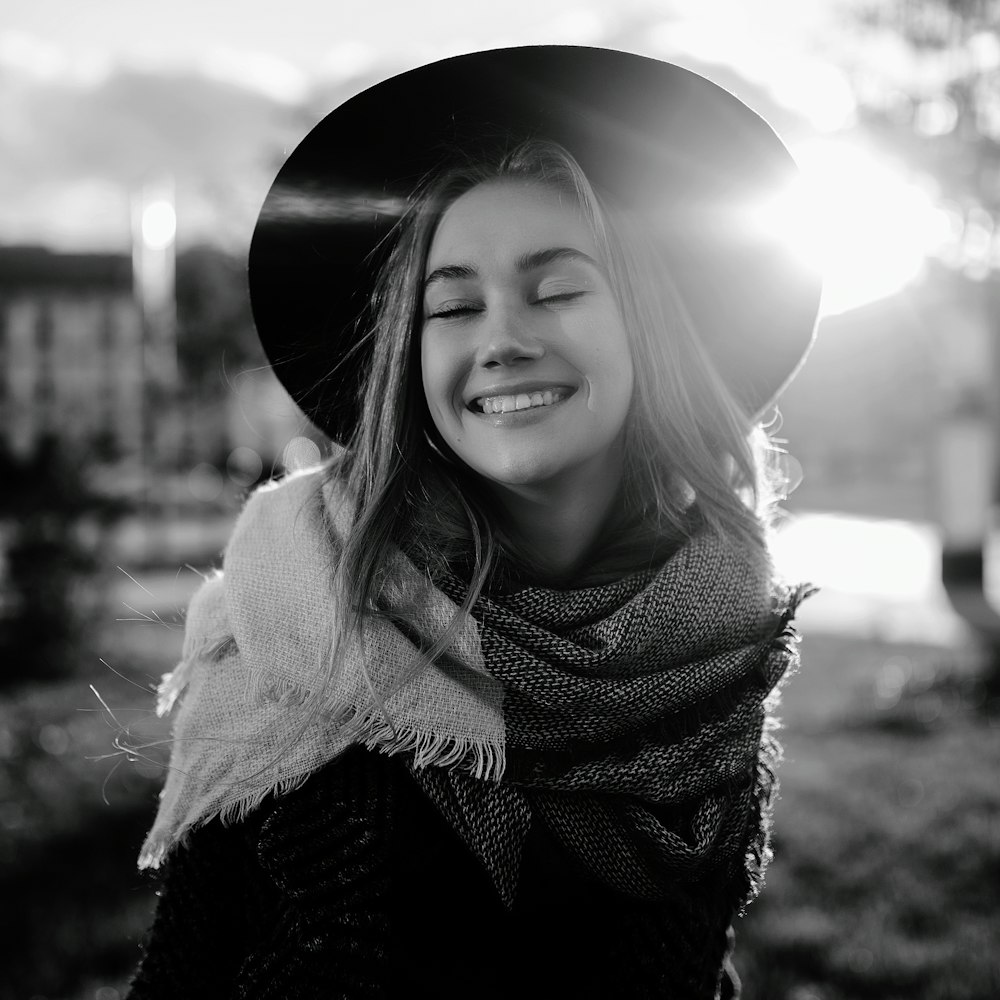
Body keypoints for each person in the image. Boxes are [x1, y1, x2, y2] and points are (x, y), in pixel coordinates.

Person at [125, 45, 821, 999]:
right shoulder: (297, 624)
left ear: (649, 333)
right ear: (412, 360)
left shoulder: (716, 641)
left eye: (559, 289)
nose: (501, 341)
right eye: (453, 306)